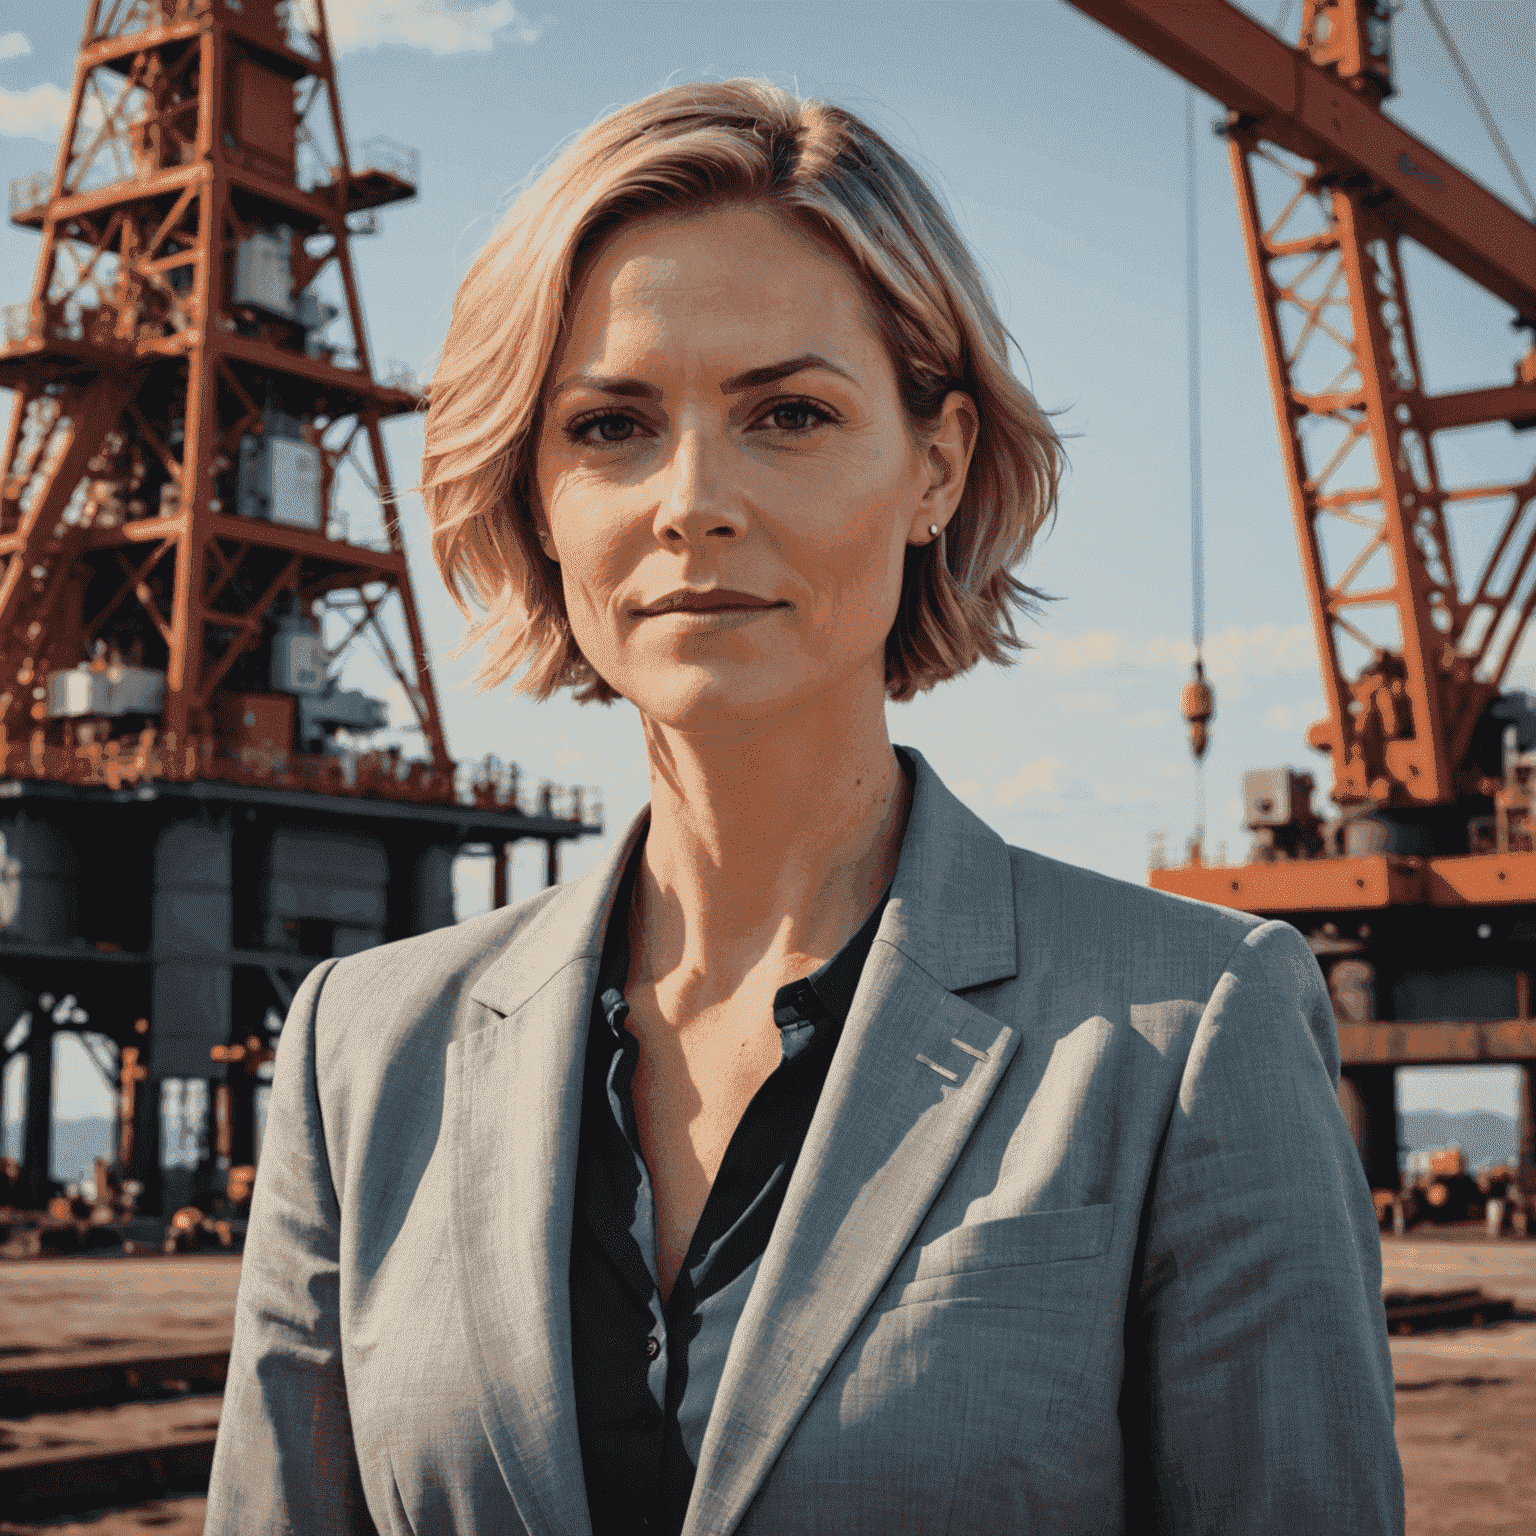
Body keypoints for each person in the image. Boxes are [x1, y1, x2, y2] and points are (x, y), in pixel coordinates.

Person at [205, 80, 1404, 1535]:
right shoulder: (363, 1050)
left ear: (937, 466)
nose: (692, 500)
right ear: (533, 489)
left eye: (790, 412)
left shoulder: (1189, 1029)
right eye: (611, 425)